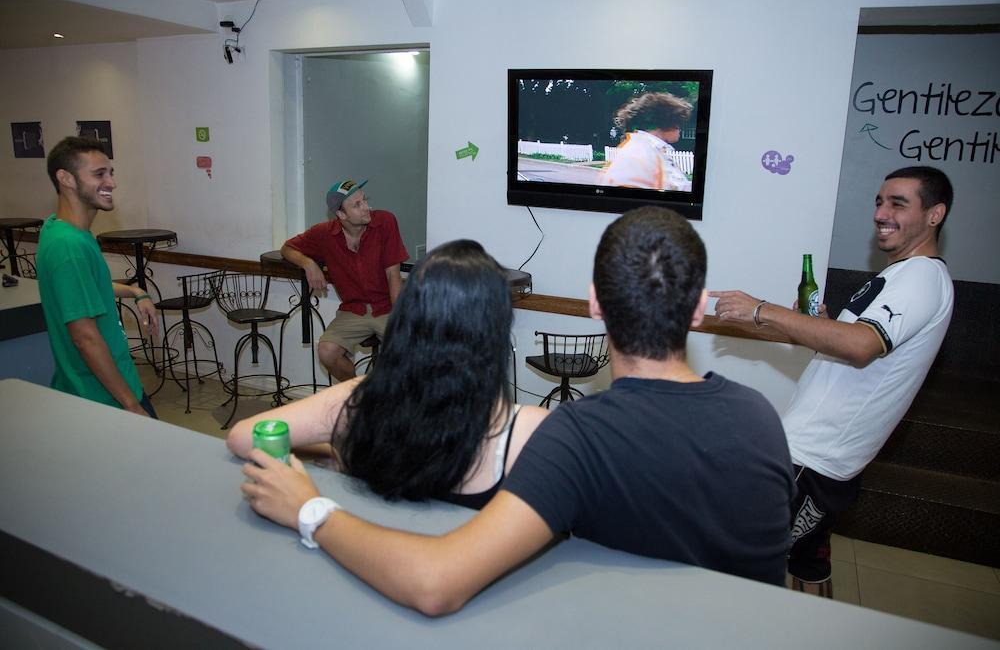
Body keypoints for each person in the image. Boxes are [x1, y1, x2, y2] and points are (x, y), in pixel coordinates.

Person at [238, 206, 794, 616]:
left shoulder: (578, 437)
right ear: (699, 310)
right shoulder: (762, 419)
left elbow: (436, 582)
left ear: (595, 302)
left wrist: (311, 511)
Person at [710, 166, 955, 598]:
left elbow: (861, 345)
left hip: (814, 460)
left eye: (898, 203)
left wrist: (762, 308)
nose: (881, 213)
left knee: (733, 566)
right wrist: (799, 325)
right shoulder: (896, 277)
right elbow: (843, 346)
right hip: (815, 455)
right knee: (807, 561)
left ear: (935, 215)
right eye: (879, 202)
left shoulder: (923, 276)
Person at [229, 240, 548, 508]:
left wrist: (334, 447)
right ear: (495, 330)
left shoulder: (360, 397)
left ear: (407, 319)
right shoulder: (527, 427)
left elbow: (243, 437)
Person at [36, 136, 159, 418]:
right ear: (65, 178)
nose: (111, 183)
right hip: (103, 399)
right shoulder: (69, 247)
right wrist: (131, 405)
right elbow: (85, 338)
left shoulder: (61, 230)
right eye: (99, 174)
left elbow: (87, 287)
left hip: (104, 388)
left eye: (111, 173)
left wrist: (136, 291)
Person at [281, 178, 408, 381]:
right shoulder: (323, 233)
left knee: (412, 351)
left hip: (388, 307)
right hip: (353, 310)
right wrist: (308, 263)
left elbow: (393, 275)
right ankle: (356, 397)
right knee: (326, 351)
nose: (366, 207)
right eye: (357, 205)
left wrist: (401, 318)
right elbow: (287, 248)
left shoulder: (385, 221)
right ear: (341, 215)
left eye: (364, 200)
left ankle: (403, 408)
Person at [601, 92, 693, 192]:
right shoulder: (638, 155)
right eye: (678, 122)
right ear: (666, 122)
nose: (680, 129)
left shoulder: (649, 150)